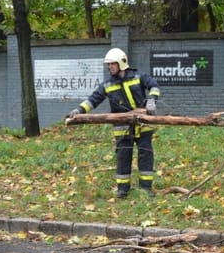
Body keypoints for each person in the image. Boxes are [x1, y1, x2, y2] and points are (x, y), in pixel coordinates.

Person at [67, 48, 161, 199]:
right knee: (123, 157)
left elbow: (154, 85)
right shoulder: (108, 84)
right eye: (108, 64)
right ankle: (123, 190)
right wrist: (79, 110)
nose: (109, 67)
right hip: (122, 128)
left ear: (121, 63)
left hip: (143, 125)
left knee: (145, 155)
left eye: (112, 64)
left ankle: (146, 189)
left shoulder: (138, 76)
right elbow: (93, 99)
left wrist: (151, 100)